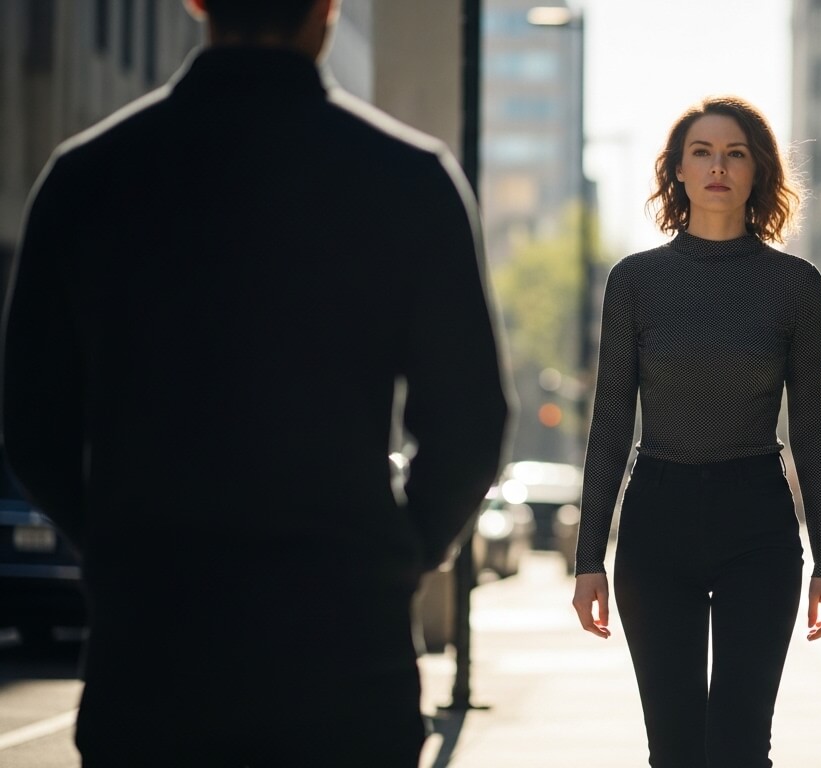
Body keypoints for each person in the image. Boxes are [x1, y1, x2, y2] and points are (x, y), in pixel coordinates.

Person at [1, 0, 508, 765]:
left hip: (153, 650)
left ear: (196, 3)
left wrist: (117, 544)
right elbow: (470, 424)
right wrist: (395, 556)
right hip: (343, 654)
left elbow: (33, 426)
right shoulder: (409, 179)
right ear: (329, 9)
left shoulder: (88, 175)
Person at [571, 95, 821, 767]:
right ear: (678, 172)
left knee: (741, 744)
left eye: (735, 153)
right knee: (674, 748)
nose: (718, 166)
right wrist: (587, 560)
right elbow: (610, 421)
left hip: (758, 521)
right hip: (656, 520)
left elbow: (812, 428)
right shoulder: (635, 282)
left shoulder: (794, 285)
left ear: (758, 172)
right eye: (702, 152)